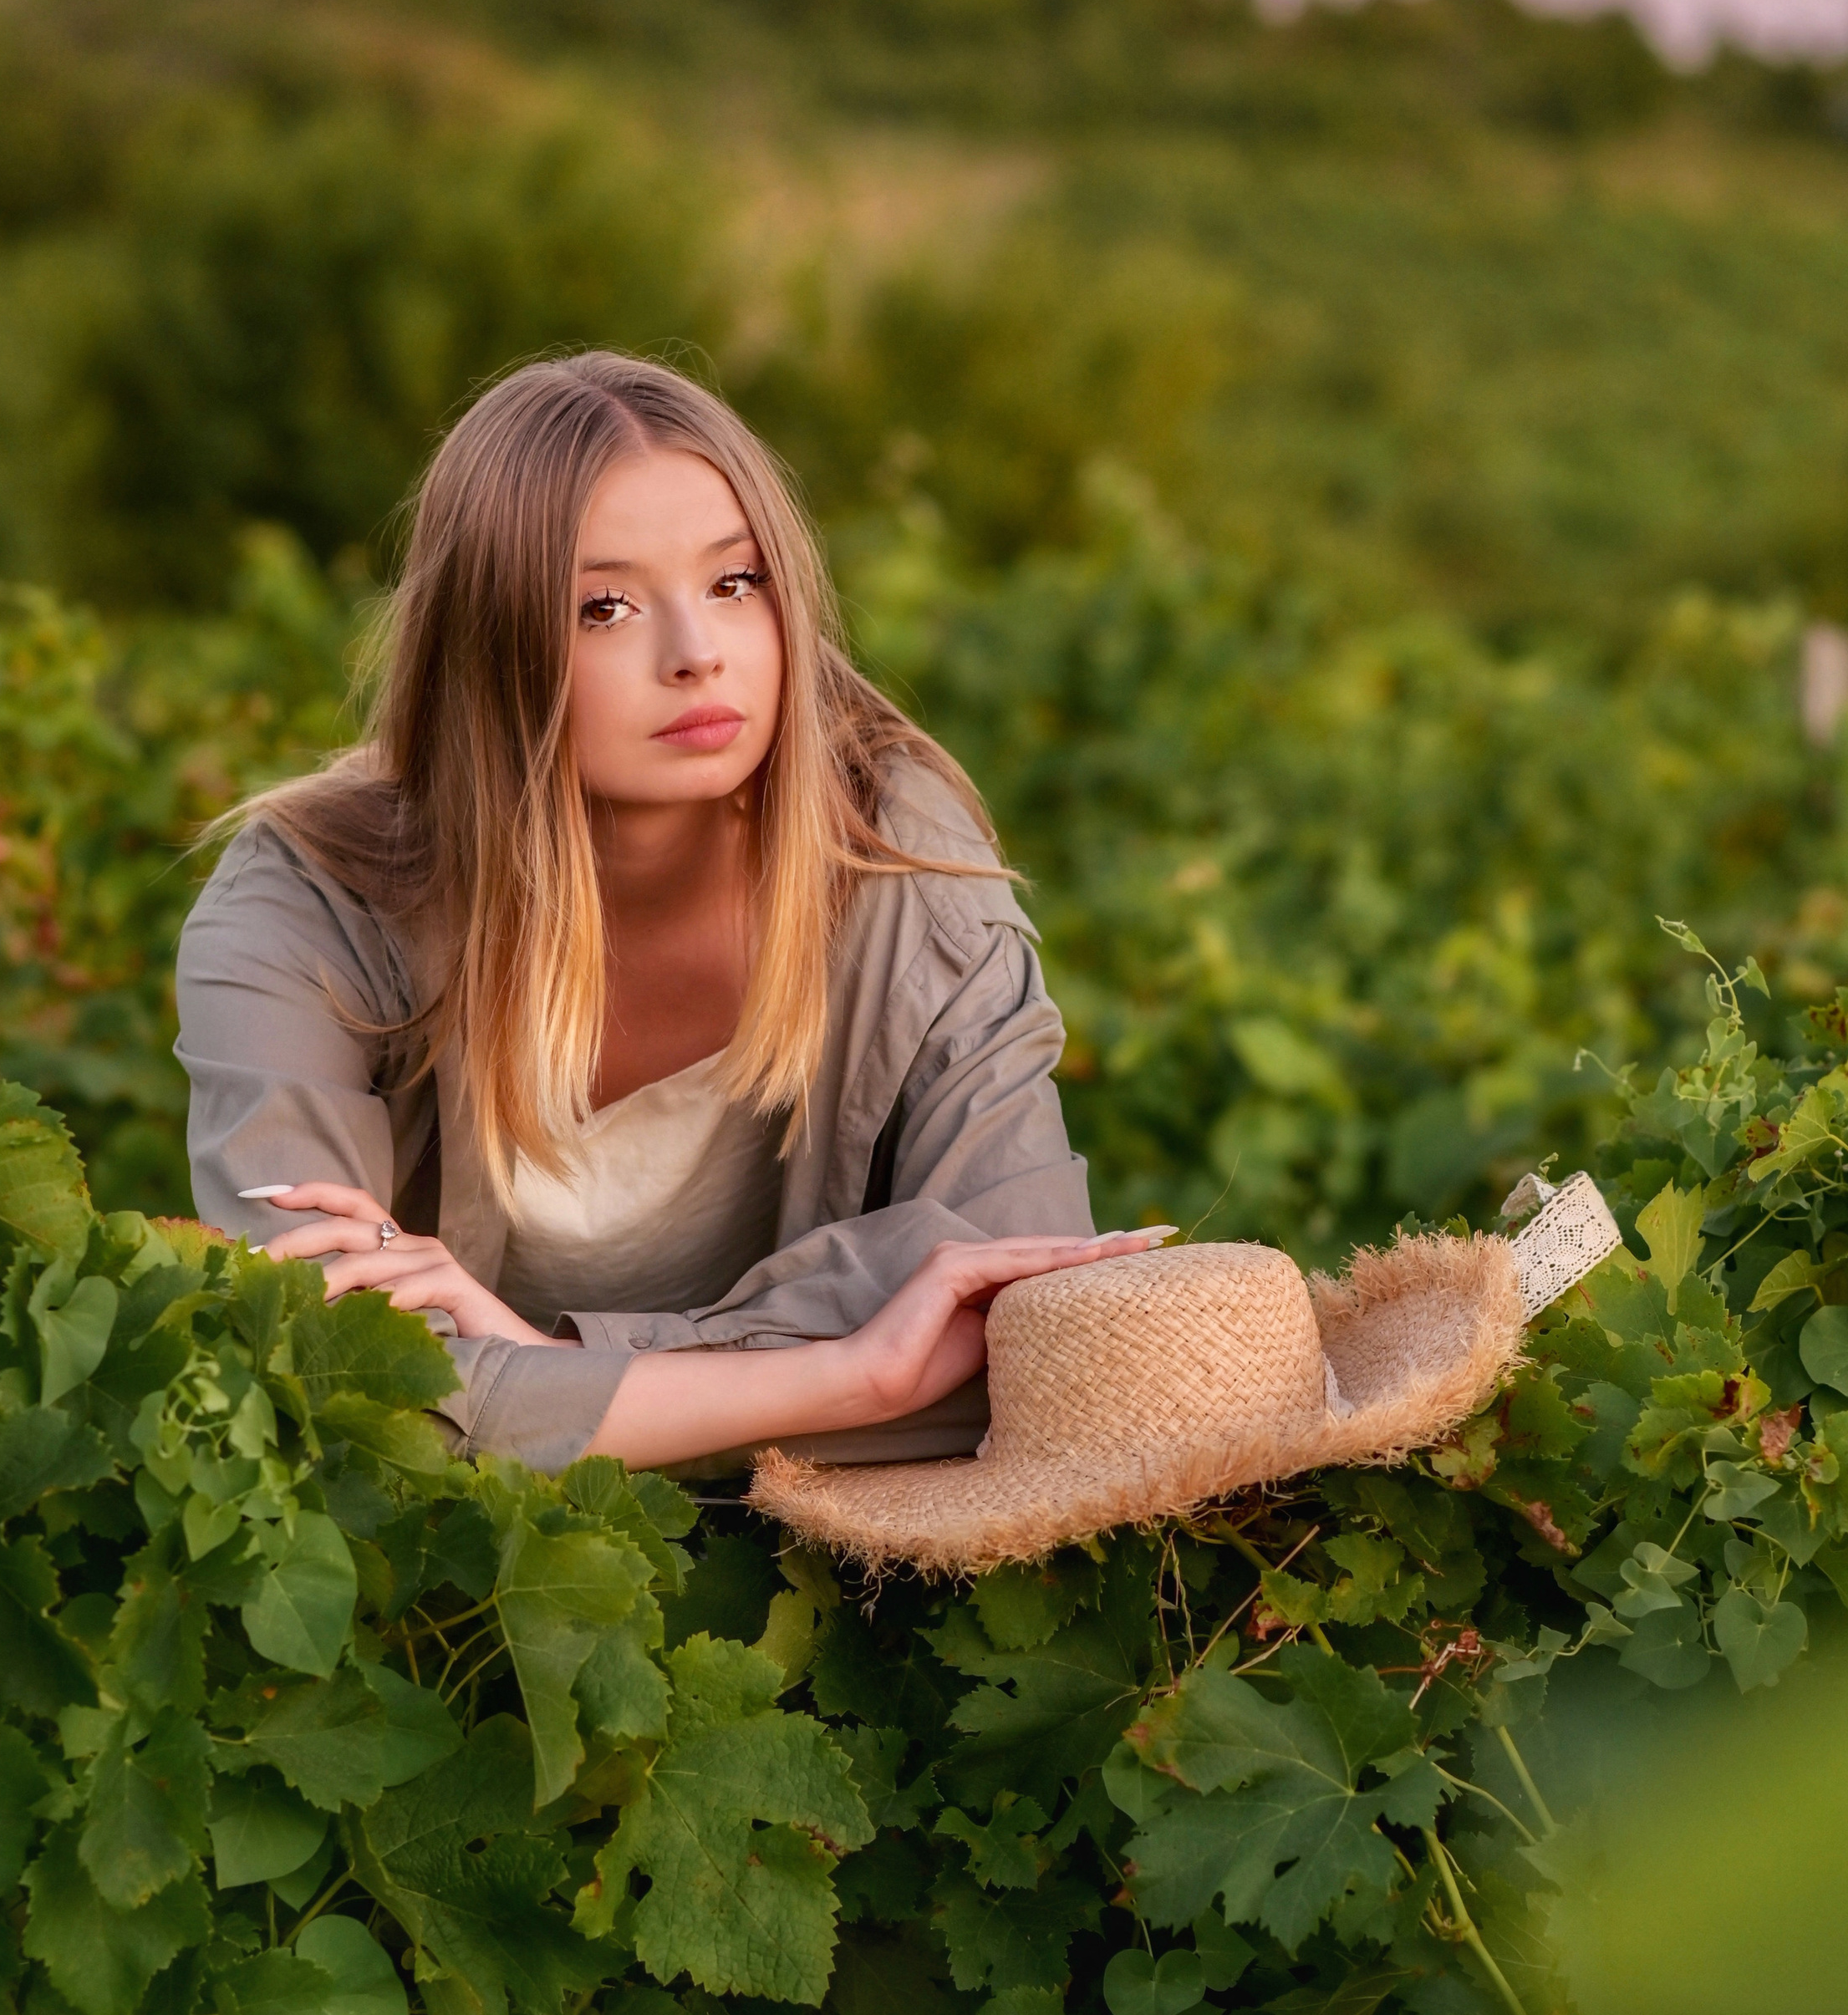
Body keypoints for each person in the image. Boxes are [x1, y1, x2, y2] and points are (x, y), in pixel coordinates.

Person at [175, 351, 1161, 1476]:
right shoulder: (303, 911)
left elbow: (1040, 1337)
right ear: (486, 647)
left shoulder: (898, 862)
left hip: (846, 1580)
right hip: (447, 1602)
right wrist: (855, 1374)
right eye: (604, 607)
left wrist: (529, 1369)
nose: (697, 655)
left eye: (735, 584)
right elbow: (337, 1387)